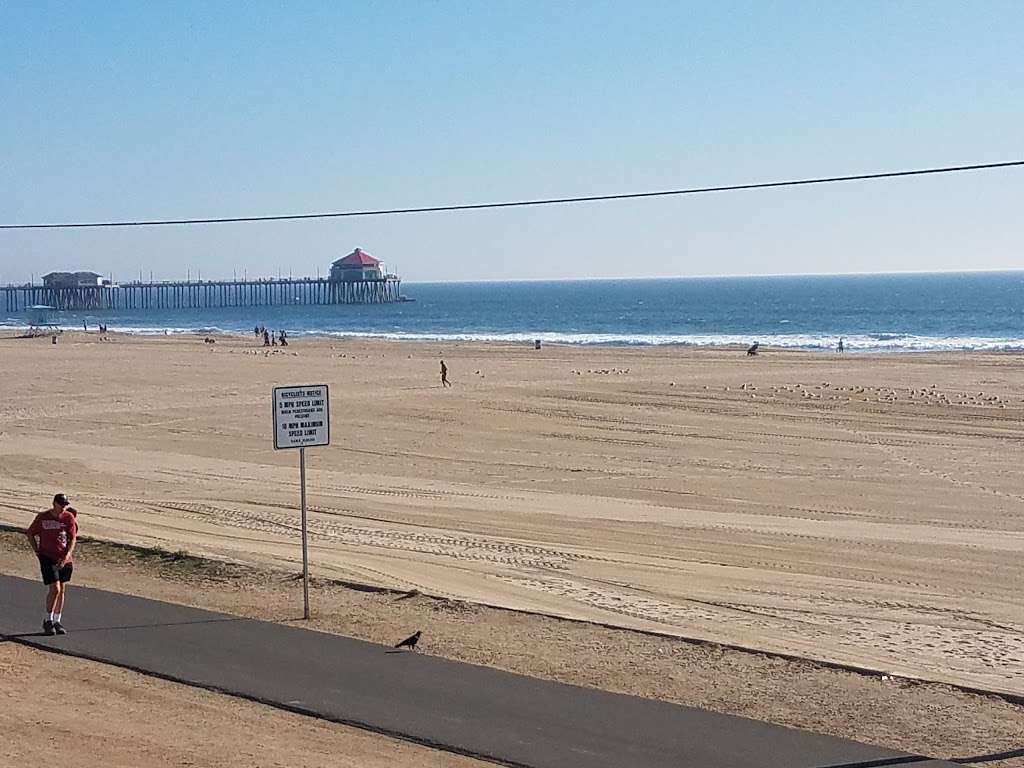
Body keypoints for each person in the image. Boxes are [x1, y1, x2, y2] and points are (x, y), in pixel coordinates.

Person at [25, 493, 79, 636]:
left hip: (64, 558)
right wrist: (37, 550)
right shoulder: (43, 517)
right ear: (54, 503)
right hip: (47, 557)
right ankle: (48, 620)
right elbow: (30, 533)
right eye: (61, 504)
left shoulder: (68, 518)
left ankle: (57, 620)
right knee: (54, 588)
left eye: (65, 505)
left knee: (61, 589)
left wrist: (67, 555)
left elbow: (72, 538)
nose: (63, 507)